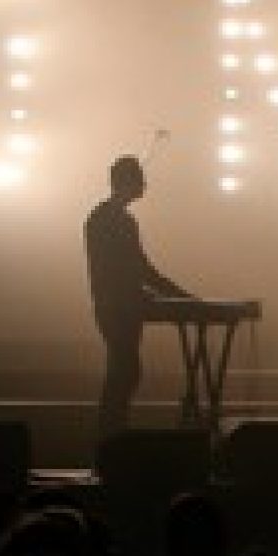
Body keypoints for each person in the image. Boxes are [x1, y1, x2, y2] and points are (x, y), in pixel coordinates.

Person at [84, 155, 189, 438]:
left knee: (124, 371)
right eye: (140, 178)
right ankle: (111, 438)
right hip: (118, 306)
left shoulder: (105, 217)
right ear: (125, 182)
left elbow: (135, 269)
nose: (145, 184)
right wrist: (180, 296)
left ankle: (112, 436)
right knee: (125, 370)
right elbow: (137, 269)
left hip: (118, 304)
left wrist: (172, 294)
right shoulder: (113, 220)